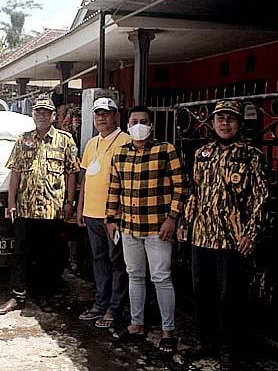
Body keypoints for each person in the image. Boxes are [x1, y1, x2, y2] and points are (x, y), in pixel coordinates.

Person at [178, 100, 268, 370]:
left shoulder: (251, 155)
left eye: (230, 119)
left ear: (239, 123)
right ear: (213, 122)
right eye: (220, 119)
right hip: (202, 236)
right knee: (202, 292)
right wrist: (185, 221)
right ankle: (206, 341)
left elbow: (260, 198)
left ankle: (230, 349)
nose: (224, 123)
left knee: (231, 296)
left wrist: (251, 233)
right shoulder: (202, 154)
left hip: (233, 239)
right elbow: (194, 191)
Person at [105, 106, 188, 354]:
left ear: (151, 125)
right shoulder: (119, 154)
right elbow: (114, 190)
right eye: (135, 121)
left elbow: (181, 186)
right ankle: (137, 324)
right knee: (135, 276)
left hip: (158, 229)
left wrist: (172, 218)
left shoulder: (166, 151)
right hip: (129, 227)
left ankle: (167, 331)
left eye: (144, 121)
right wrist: (111, 219)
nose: (139, 125)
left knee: (161, 278)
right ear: (128, 125)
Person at [0, 97, 80, 315]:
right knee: (21, 254)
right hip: (26, 209)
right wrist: (11, 202)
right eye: (38, 112)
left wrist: (70, 202)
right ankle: (17, 297)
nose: (41, 116)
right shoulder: (23, 140)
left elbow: (72, 174)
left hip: (53, 210)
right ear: (32, 115)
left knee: (50, 256)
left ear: (53, 116)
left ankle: (46, 296)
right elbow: (15, 172)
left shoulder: (65, 140)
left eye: (46, 112)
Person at [76, 97, 131, 329]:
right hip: (92, 214)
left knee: (117, 262)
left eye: (106, 113)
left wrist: (119, 214)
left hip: (114, 217)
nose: (101, 117)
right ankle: (100, 303)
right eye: (97, 113)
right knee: (99, 261)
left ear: (115, 115)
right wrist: (80, 209)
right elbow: (85, 179)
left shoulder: (126, 141)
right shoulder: (91, 144)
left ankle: (114, 308)